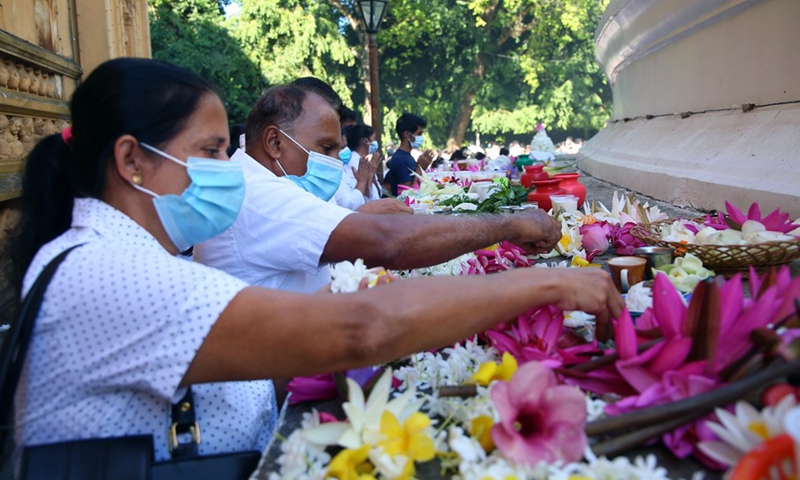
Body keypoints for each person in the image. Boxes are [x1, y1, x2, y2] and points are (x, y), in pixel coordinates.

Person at [13, 57, 624, 467]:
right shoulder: (107, 272)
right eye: (208, 152)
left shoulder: (107, 251)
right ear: (132, 161)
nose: (227, 172)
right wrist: (542, 282)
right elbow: (362, 328)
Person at [194, 84, 563, 293]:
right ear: (274, 143)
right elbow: (389, 243)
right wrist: (511, 225)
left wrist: (354, 216)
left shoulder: (264, 180)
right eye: (325, 148)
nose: (334, 160)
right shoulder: (256, 192)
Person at [384, 113, 435, 196]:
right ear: (407, 134)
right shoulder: (399, 159)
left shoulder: (408, 156)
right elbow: (406, 194)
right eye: (419, 133)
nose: (421, 137)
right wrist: (420, 169)